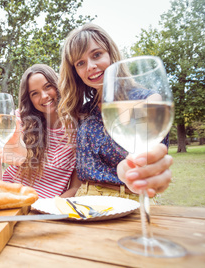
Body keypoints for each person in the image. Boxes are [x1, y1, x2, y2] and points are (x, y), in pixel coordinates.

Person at [57, 23, 173, 200]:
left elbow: (144, 157)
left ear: (111, 54)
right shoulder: (84, 112)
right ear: (76, 72)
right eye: (80, 63)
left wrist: (129, 171)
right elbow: (80, 176)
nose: (90, 66)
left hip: (128, 199)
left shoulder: (147, 100)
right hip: (83, 200)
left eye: (96, 55)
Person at [0, 64, 81, 198]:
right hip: (12, 198)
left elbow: (75, 187)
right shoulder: (19, 120)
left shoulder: (78, 130)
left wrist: (49, 208)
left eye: (48, 87)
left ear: (58, 85)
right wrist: (13, 151)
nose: (44, 96)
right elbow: (12, 146)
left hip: (47, 208)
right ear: (30, 99)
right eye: (35, 94)